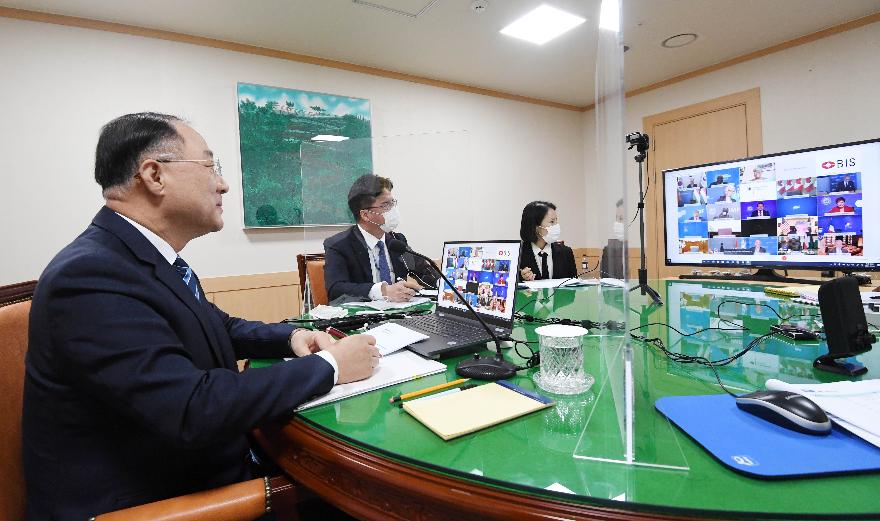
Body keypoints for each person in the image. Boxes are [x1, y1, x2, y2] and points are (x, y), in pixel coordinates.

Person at [23, 113, 380, 520]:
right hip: (157, 500)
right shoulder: (90, 275)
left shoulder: (139, 259)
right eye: (211, 167)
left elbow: (218, 326)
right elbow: (192, 409)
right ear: (155, 176)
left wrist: (289, 337)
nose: (224, 184)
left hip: (192, 467)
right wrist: (331, 365)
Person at [323, 174, 430, 301]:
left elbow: (424, 272)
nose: (393, 210)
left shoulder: (396, 241)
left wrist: (446, 285)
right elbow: (336, 290)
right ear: (365, 215)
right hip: (364, 317)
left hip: (401, 314)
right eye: (386, 205)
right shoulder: (339, 245)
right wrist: (383, 290)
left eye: (393, 203)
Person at [518, 201, 576, 281]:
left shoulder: (566, 252)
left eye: (556, 221)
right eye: (552, 222)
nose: (556, 226)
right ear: (535, 226)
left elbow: (573, 286)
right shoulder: (518, 254)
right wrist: (521, 278)